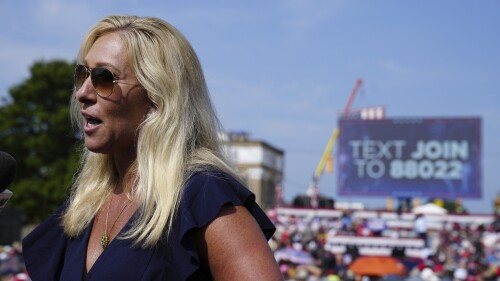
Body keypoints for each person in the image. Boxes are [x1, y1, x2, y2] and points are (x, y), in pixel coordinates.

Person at [22, 15, 283, 281]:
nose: (82, 92)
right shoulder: (82, 207)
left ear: (158, 96)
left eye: (103, 77)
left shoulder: (204, 197)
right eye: (82, 74)